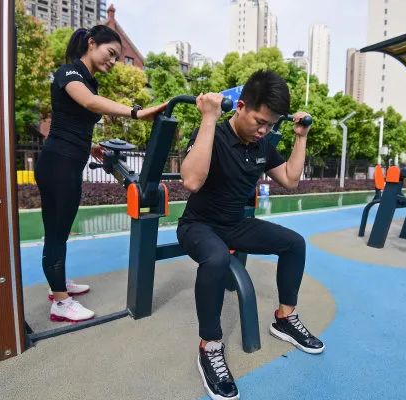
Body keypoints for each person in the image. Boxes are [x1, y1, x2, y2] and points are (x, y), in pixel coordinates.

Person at [177, 70, 324, 400]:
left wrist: (300, 137)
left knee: (294, 244)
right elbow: (192, 181)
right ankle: (210, 345)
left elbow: (290, 180)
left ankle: (285, 318)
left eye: (270, 125)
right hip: (197, 225)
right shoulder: (212, 133)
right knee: (216, 258)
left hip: (235, 224)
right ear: (241, 106)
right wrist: (209, 117)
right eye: (260, 122)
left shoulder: (261, 145)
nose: (264, 131)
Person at [35, 25, 165, 323]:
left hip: (68, 161)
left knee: (61, 231)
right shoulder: (69, 72)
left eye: (117, 57)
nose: (114, 61)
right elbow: (89, 103)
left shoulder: (88, 80)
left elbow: (73, 120)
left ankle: (58, 285)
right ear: (91, 43)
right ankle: (60, 303)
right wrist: (136, 112)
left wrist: (90, 146)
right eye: (111, 53)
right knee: (56, 232)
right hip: (58, 164)